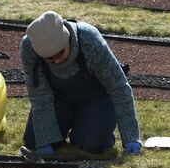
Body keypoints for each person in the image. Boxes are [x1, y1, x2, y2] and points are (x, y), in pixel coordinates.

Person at [21, 10, 142, 158]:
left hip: (96, 97)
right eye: (49, 59)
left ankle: (85, 125)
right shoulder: (29, 47)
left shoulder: (90, 41)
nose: (57, 61)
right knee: (34, 140)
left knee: (93, 145)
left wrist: (131, 138)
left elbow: (118, 88)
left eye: (59, 54)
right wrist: (45, 141)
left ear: (67, 41)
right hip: (58, 98)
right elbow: (40, 96)